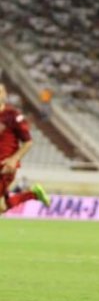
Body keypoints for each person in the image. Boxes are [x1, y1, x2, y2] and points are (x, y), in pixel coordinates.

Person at [0, 84, 50, 214]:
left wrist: (13, 159)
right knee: (1, 207)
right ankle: (33, 195)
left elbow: (28, 142)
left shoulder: (13, 115)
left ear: (4, 95)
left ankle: (33, 195)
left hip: (5, 167)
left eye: (1, 92)